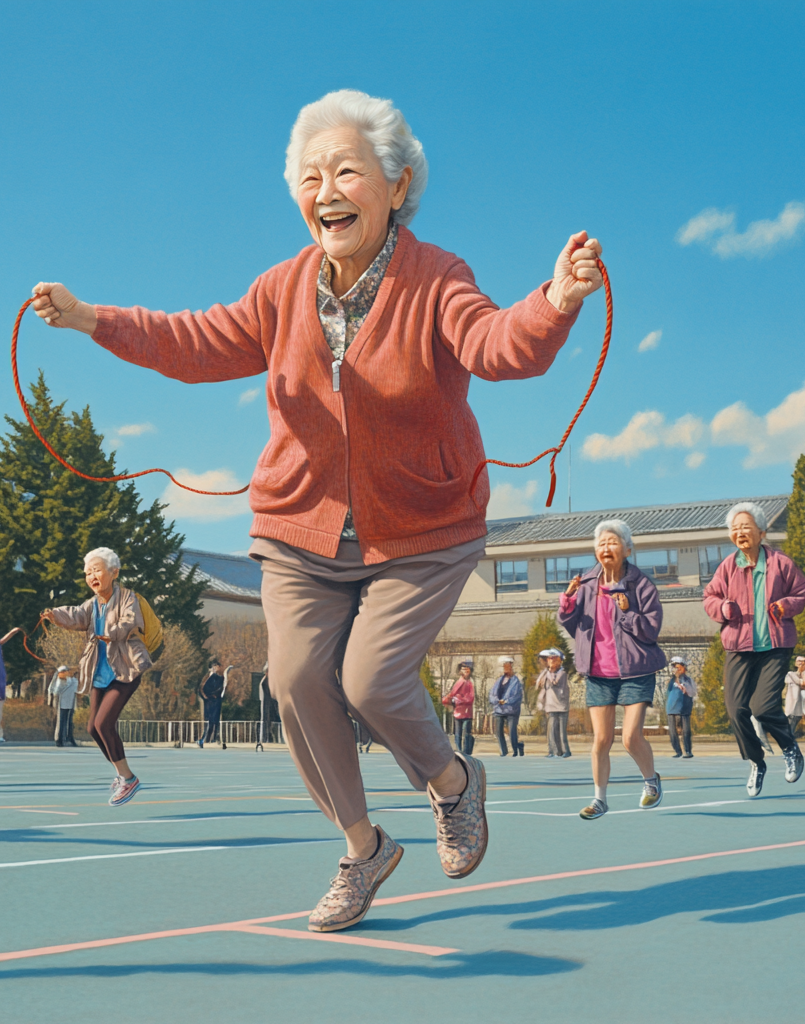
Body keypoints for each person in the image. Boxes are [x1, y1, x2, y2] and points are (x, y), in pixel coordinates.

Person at [31, 88, 598, 932]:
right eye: (309, 175)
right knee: (295, 679)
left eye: (346, 171)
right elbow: (190, 341)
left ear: (398, 186)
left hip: (422, 527)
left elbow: (496, 344)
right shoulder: (282, 288)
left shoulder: (438, 278)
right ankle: (363, 848)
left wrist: (554, 301)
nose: (324, 188)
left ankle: (453, 784)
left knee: (371, 679)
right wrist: (90, 320)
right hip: (300, 527)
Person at [558, 519, 666, 820]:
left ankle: (651, 782)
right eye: (602, 543)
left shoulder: (641, 585)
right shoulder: (587, 584)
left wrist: (628, 612)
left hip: (636, 670)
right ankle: (599, 799)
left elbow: (651, 631)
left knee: (630, 737)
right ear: (595, 550)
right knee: (601, 740)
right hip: (598, 673)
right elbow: (572, 625)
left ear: (627, 549)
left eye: (613, 542)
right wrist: (567, 600)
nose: (606, 548)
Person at [703, 502, 805, 797]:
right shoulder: (727, 567)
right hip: (738, 645)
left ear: (761, 532)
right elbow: (709, 597)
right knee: (736, 710)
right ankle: (756, 761)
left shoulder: (781, 563)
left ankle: (789, 748)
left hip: (775, 645)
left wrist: (785, 606)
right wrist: (723, 608)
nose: (740, 533)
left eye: (746, 527)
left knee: (762, 707)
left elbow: (800, 592)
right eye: (735, 529)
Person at [41, 547, 152, 806]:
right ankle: (122, 775)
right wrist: (54, 614)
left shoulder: (127, 597)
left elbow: (129, 621)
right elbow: (76, 615)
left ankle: (128, 778)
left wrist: (111, 633)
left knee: (104, 724)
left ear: (114, 572)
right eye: (87, 572)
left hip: (125, 670)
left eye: (97, 570)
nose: (92, 575)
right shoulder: (92, 605)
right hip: (99, 673)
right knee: (93, 727)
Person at [535, 648, 571, 758]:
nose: (550, 662)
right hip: (550, 706)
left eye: (553, 659)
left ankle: (565, 751)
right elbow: (540, 685)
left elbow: (554, 682)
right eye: (549, 659)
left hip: (561, 706)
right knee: (551, 731)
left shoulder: (562, 673)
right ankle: (553, 751)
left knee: (561, 732)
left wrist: (548, 672)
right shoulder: (546, 673)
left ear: (559, 661)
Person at [489, 658, 523, 756]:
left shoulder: (516, 681)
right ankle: (504, 751)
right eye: (505, 667)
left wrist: (507, 701)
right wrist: (496, 700)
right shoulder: (499, 680)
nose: (506, 669)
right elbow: (492, 694)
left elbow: (517, 696)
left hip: (511, 710)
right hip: (499, 709)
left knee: (512, 732)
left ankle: (516, 748)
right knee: (498, 731)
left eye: (508, 666)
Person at [665, 655, 696, 759]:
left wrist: (681, 683)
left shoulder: (688, 680)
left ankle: (688, 751)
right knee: (673, 732)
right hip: (671, 708)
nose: (677, 669)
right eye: (675, 667)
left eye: (678, 667)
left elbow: (692, 692)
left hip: (684, 709)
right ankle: (677, 751)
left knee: (686, 731)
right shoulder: (670, 681)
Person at [442, 662, 476, 755]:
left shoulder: (470, 683)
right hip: (458, 712)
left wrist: (457, 700)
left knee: (465, 733)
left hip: (466, 713)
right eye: (463, 669)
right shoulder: (458, 682)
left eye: (467, 669)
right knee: (457, 734)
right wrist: (449, 699)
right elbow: (451, 695)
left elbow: (470, 698)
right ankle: (459, 751)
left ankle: (465, 751)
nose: (465, 671)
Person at [47, 665, 79, 747]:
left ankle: (69, 737)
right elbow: (56, 691)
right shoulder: (60, 681)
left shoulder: (74, 680)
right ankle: (59, 739)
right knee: (60, 721)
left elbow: (77, 689)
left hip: (70, 702)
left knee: (69, 722)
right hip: (61, 702)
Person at [198, 660, 225, 748]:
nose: (217, 668)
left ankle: (212, 738)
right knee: (208, 721)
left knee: (215, 721)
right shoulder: (206, 678)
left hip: (216, 701)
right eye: (216, 666)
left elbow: (220, 688)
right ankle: (206, 738)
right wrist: (206, 697)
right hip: (209, 702)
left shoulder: (218, 678)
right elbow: (201, 689)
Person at [784, 655, 805, 738]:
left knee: (791, 732)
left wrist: (804, 672)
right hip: (791, 709)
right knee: (788, 732)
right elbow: (802, 683)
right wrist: (801, 671)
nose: (801, 664)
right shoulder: (790, 674)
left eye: (803, 662)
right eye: (799, 662)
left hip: (799, 710)